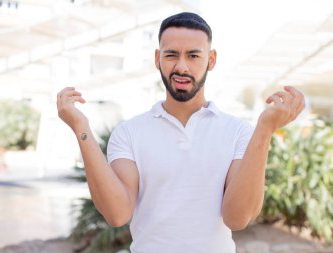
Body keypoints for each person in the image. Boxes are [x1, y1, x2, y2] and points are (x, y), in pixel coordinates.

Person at [57, 12, 305, 253]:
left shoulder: (238, 132)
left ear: (211, 59)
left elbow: (237, 218)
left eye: (193, 55)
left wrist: (264, 130)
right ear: (157, 59)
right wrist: (81, 128)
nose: (181, 66)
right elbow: (117, 214)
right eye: (171, 55)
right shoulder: (129, 133)